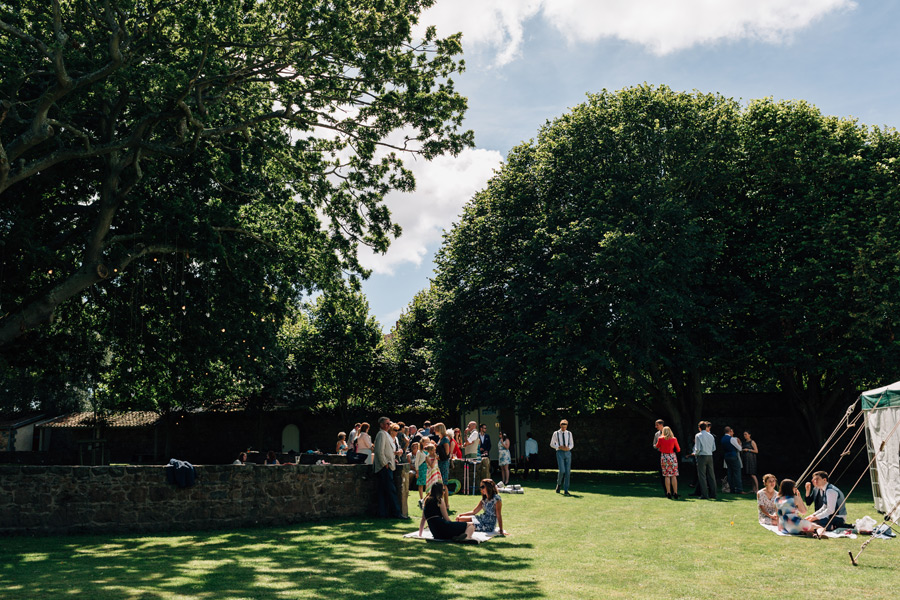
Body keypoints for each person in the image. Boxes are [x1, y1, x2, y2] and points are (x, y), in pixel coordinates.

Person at [373, 416, 407, 519]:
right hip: (385, 468)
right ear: (382, 425)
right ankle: (396, 513)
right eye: (387, 424)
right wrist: (385, 463)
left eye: (389, 423)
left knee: (384, 491)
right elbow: (379, 451)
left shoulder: (385, 434)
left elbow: (387, 451)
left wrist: (393, 459)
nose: (388, 425)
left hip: (388, 466)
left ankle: (384, 513)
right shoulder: (381, 434)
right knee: (390, 490)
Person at [692, 421, 716, 500]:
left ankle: (704, 494)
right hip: (710, 456)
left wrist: (696, 453)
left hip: (702, 456)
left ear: (699, 428)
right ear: (706, 427)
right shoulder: (711, 436)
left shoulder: (698, 435)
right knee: (711, 475)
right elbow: (714, 448)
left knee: (702, 476)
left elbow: (698, 448)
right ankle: (713, 493)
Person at [655, 426, 680, 499]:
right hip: (672, 456)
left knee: (666, 475)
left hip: (664, 457)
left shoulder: (660, 439)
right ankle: (675, 492)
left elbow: (657, 446)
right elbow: (678, 449)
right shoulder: (674, 439)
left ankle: (668, 492)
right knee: (674, 475)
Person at [551, 419, 573, 495]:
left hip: (568, 453)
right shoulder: (556, 433)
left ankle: (566, 490)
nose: (564, 429)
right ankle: (559, 484)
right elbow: (552, 444)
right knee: (562, 470)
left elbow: (571, 444)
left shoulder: (569, 433)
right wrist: (559, 447)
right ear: (560, 425)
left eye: (565, 427)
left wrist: (568, 448)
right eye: (563, 427)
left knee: (567, 472)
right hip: (559, 452)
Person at [434, 423, 452, 510]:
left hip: (443, 463)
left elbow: (447, 453)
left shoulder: (445, 439)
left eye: (435, 429)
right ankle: (442, 503)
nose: (434, 431)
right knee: (441, 484)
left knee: (444, 484)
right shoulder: (441, 439)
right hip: (440, 462)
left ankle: (447, 504)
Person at [721, 426, 744, 494]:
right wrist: (739, 443)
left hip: (726, 457)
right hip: (733, 456)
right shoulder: (732, 439)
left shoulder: (722, 439)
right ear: (730, 431)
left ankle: (732, 489)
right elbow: (739, 449)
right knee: (737, 473)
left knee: (730, 473)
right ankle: (739, 489)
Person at [414, 441, 427, 508]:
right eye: (426, 442)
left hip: (427, 468)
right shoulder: (419, 452)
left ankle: (426, 499)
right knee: (421, 484)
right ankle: (421, 499)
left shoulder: (428, 450)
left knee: (427, 484)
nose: (427, 443)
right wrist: (417, 471)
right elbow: (416, 462)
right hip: (421, 468)